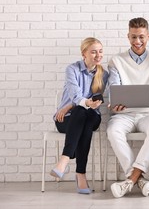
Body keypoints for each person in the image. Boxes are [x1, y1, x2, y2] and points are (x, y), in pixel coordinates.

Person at [107, 17, 149, 198]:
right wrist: (115, 103)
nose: (137, 42)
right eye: (134, 37)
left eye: (141, 37)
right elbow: (114, 89)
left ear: (148, 36)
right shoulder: (116, 61)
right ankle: (138, 178)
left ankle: (131, 179)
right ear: (128, 36)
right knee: (112, 131)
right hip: (123, 114)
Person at [50, 37, 109, 194]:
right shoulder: (72, 69)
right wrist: (80, 104)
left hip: (89, 114)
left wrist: (92, 103)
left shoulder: (103, 74)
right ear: (84, 53)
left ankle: (64, 160)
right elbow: (76, 95)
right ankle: (81, 174)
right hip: (66, 119)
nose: (98, 55)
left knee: (85, 113)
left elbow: (96, 98)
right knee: (83, 117)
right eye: (94, 52)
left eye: (101, 51)